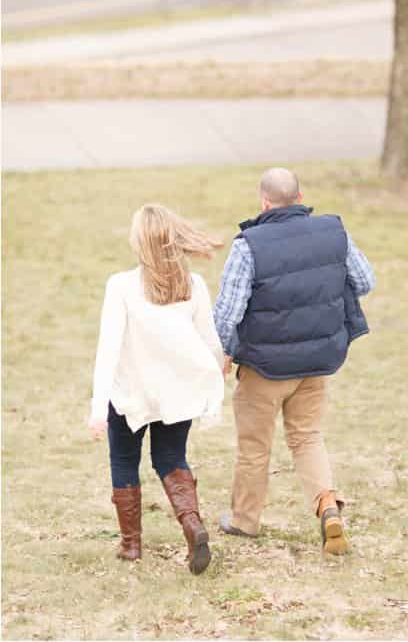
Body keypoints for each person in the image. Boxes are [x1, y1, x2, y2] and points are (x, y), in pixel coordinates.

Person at [213, 167, 373, 555]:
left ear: (264, 202)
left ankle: (244, 521)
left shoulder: (248, 245)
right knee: (307, 437)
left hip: (263, 368)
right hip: (315, 362)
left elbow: (226, 314)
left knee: (254, 446)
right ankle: (327, 506)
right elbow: (365, 281)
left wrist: (227, 351)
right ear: (300, 199)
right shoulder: (334, 232)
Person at [87, 204, 225, 575]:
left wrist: (99, 408)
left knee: (123, 461)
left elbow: (108, 349)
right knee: (170, 459)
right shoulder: (192, 285)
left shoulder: (120, 286)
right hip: (176, 395)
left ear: (139, 243)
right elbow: (211, 342)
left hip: (131, 395)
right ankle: (193, 525)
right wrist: (218, 373)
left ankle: (131, 545)